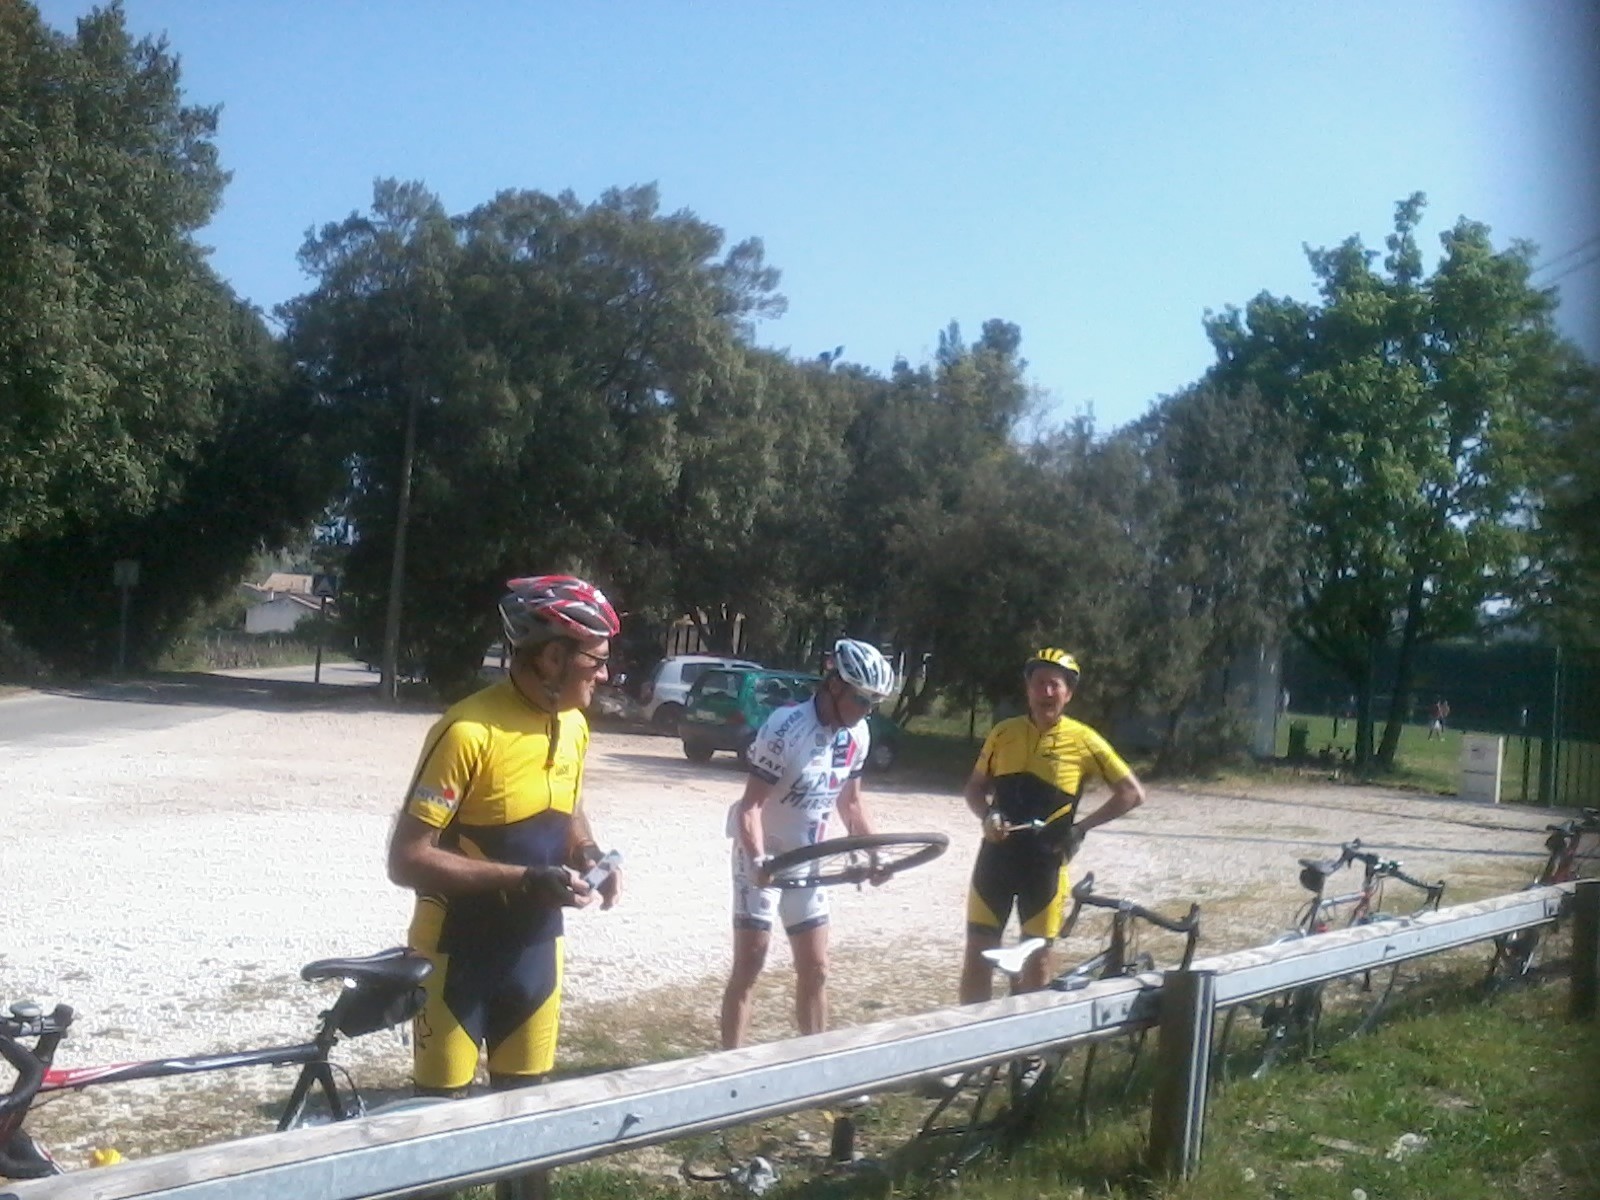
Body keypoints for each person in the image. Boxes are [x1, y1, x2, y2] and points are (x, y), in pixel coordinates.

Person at [386, 574, 623, 1101]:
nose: (605, 674)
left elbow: (568, 809)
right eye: (596, 660)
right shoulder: (467, 731)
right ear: (553, 658)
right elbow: (406, 859)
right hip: (456, 955)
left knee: (527, 1123)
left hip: (536, 951)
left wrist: (587, 852)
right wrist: (525, 879)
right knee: (441, 1126)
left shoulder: (573, 725)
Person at [720, 638, 897, 1049]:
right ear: (834, 685)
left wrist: (876, 853)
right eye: (861, 699)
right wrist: (758, 861)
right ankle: (730, 1067)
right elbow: (750, 807)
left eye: (874, 703)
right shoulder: (786, 727)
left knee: (816, 968)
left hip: (808, 858)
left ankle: (815, 1063)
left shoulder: (858, 734)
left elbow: (851, 804)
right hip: (763, 854)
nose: (866, 710)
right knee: (750, 964)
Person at [959, 648, 1146, 1003]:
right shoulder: (1003, 733)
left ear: (1068, 693)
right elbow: (974, 788)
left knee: (1037, 963)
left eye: (1054, 685)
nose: (1046, 692)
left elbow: (1132, 793)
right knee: (978, 954)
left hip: (1044, 865)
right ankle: (969, 1038)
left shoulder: (1084, 740)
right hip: (996, 859)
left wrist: (1080, 829)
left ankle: (1030, 1039)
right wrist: (986, 815)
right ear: (1027, 689)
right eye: (1039, 683)